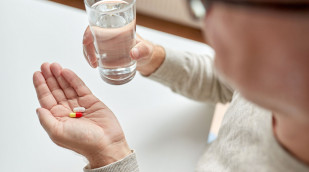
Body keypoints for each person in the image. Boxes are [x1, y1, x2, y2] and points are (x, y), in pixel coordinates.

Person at [33, 0, 309, 171]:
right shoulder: (271, 79)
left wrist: (108, 156)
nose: (207, 21)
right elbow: (227, 84)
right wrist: (151, 56)